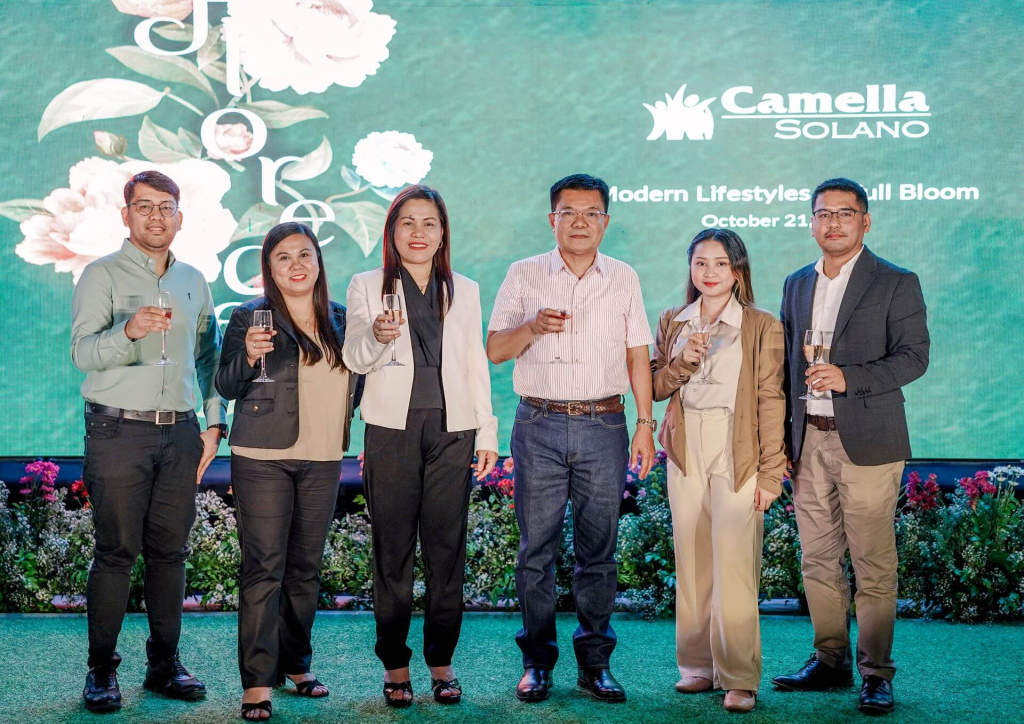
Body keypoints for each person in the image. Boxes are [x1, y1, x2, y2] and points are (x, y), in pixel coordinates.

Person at [486, 174, 655, 704]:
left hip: (605, 424)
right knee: (535, 551)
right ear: (551, 218)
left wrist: (645, 424)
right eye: (569, 212)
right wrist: (533, 327)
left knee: (598, 552)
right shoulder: (524, 273)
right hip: (538, 423)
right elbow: (495, 349)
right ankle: (537, 662)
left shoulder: (623, 276)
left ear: (605, 221)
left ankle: (595, 664)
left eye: (591, 213)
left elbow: (638, 354)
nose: (580, 222)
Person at [771, 178, 929, 715]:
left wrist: (848, 378)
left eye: (844, 213)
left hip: (869, 442)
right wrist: (782, 437)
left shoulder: (895, 281)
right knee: (817, 558)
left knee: (872, 563)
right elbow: (787, 366)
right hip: (808, 438)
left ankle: (876, 672)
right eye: (823, 213)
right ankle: (830, 659)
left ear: (866, 220)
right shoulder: (797, 283)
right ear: (811, 222)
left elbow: (914, 357)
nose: (833, 222)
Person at [71, 170, 227, 712]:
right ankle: (101, 670)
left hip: (180, 432)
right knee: (116, 551)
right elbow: (82, 354)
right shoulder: (100, 275)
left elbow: (209, 359)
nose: (156, 216)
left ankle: (164, 665)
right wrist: (129, 331)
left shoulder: (193, 279)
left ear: (180, 217)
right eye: (144, 206)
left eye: (166, 207)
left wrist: (213, 424)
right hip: (117, 430)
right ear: (126, 215)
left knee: (170, 553)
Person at [343, 185, 498, 707]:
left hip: (453, 430)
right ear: (392, 230)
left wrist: (486, 431)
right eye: (407, 222)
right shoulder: (367, 285)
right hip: (391, 429)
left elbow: (475, 363)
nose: (418, 232)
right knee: (392, 551)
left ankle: (441, 662)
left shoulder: (465, 288)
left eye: (429, 223)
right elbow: (355, 357)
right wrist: (378, 336)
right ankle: (395, 665)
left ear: (442, 232)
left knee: (446, 550)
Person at [216, 222, 361, 721]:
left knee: (305, 569)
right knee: (264, 568)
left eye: (305, 254)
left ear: (319, 262)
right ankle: (257, 682)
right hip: (262, 457)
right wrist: (248, 354)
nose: (296, 265)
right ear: (269, 268)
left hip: (325, 456)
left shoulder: (341, 318)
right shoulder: (248, 316)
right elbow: (227, 384)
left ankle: (297, 664)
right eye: (283, 257)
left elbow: (359, 379)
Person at [651, 228, 785, 713]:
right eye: (700, 263)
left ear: (738, 270)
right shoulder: (673, 319)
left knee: (734, 563)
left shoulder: (762, 324)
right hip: (687, 445)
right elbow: (655, 386)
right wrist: (682, 362)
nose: (709, 272)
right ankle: (697, 666)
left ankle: (739, 677)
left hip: (737, 444)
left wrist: (772, 472)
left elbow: (772, 399)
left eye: (720, 263)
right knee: (691, 559)